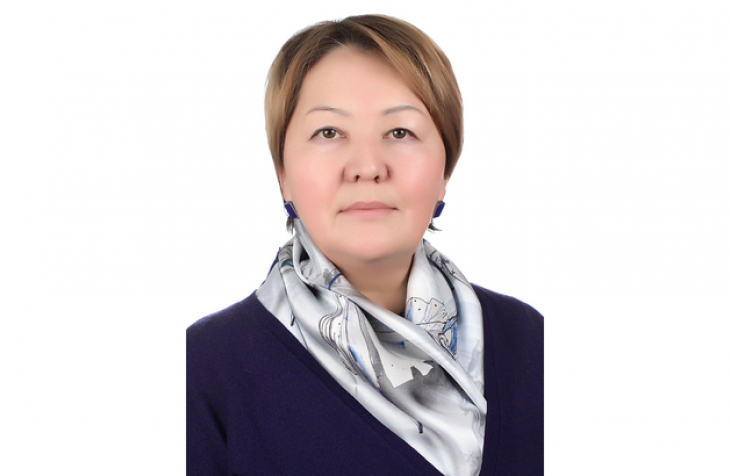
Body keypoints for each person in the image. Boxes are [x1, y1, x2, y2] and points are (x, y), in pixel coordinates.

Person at [187, 14, 543, 476]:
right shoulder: (205, 368)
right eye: (328, 133)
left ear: (445, 172)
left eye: (400, 132)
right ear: (283, 175)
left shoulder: (529, 342)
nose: (368, 166)